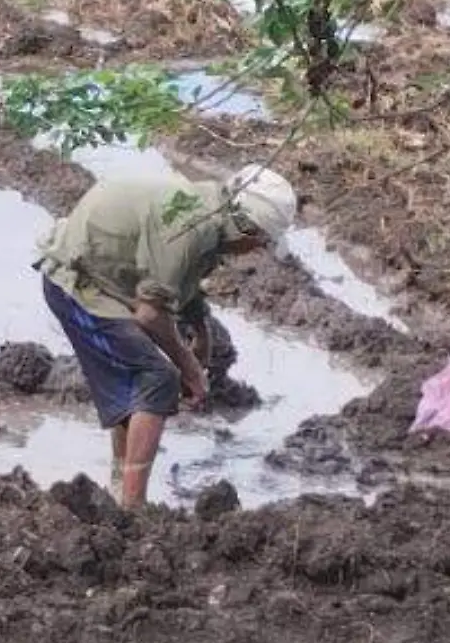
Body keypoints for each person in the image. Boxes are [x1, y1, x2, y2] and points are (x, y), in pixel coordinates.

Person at [34, 164, 298, 508]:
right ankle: (133, 506)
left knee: (139, 384)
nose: (257, 249)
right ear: (246, 227)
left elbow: (180, 282)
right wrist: (189, 368)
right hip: (77, 285)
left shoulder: (209, 207)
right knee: (158, 378)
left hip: (109, 280)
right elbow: (149, 313)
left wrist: (201, 332)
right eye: (260, 241)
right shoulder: (194, 226)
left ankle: (119, 486)